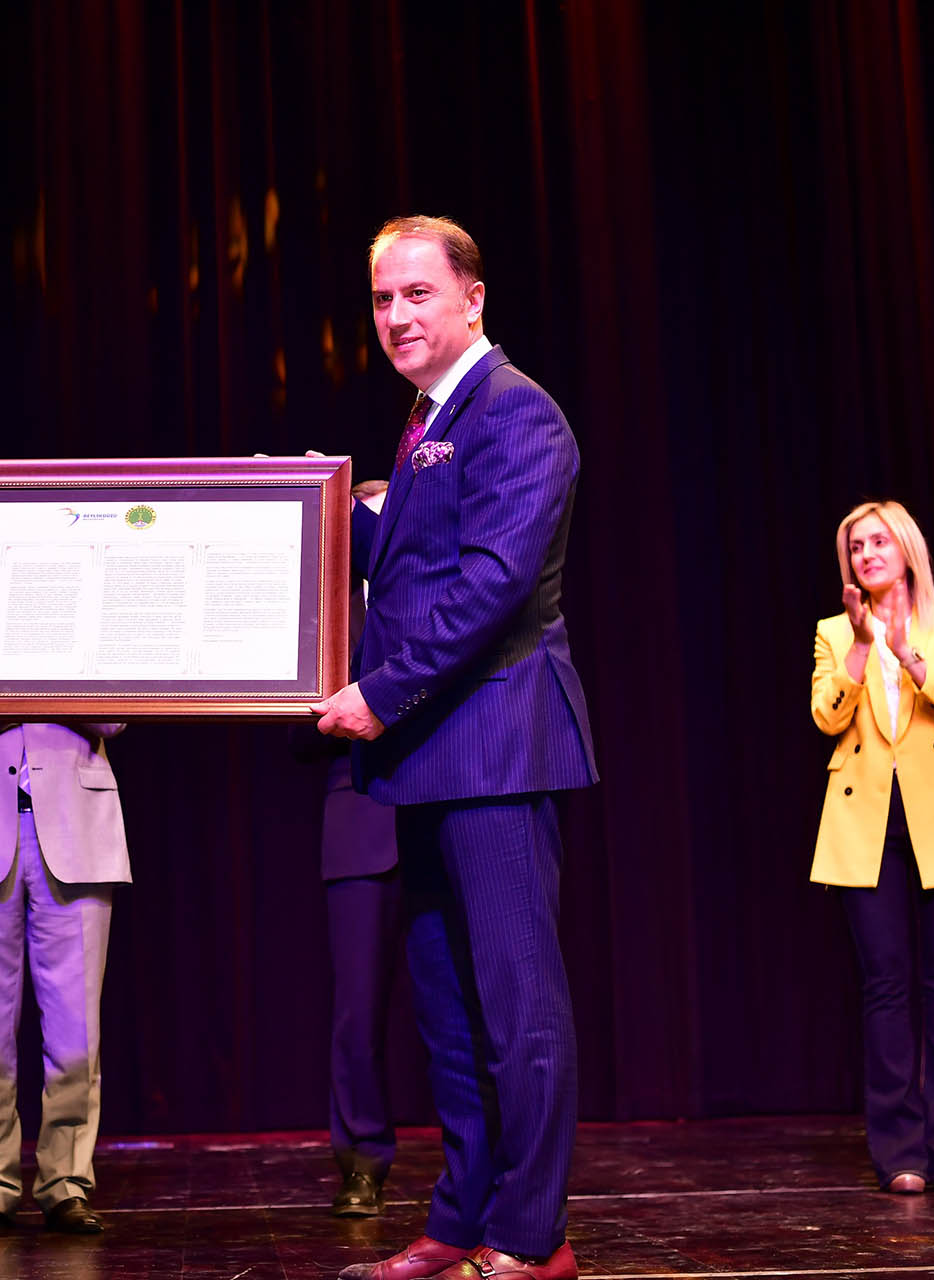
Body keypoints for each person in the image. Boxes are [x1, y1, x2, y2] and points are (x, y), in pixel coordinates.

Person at [313, 216, 596, 1280]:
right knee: (449, 1010)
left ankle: (531, 1236)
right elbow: (413, 561)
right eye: (382, 298)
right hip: (433, 757)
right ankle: (460, 1216)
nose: (395, 316)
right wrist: (296, 507)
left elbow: (491, 585)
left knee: (518, 1007)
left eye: (417, 293)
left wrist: (381, 696)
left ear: (473, 299)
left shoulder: (515, 410)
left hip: (498, 747)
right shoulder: (427, 418)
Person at [810, 499, 934, 1193]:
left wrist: (908, 656)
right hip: (867, 821)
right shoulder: (834, 632)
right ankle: (899, 1152)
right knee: (886, 988)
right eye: (855, 547)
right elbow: (826, 716)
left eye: (877, 542)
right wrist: (862, 646)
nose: (866, 555)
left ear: (905, 550)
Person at [0, 722, 129, 1236]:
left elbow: (114, 716)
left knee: (76, 1032)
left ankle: (67, 1181)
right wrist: (6, 695)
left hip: (78, 830)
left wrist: (43, 681)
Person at [292, 480, 403, 1218]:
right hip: (358, 813)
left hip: (444, 804)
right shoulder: (325, 606)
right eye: (360, 511)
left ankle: (484, 1161)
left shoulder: (437, 583)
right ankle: (362, 1160)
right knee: (357, 1008)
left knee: (464, 1001)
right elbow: (297, 727)